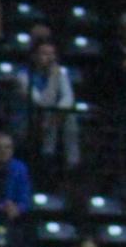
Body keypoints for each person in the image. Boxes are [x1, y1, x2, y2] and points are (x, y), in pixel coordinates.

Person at [14, 28, 79, 172]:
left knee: (69, 116)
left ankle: (73, 161)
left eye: (52, 54)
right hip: (28, 121)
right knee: (50, 113)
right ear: (34, 56)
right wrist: (53, 80)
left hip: (52, 119)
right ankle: (47, 154)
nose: (50, 58)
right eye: (44, 54)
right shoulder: (23, 76)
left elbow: (68, 98)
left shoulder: (60, 73)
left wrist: (59, 112)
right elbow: (40, 103)